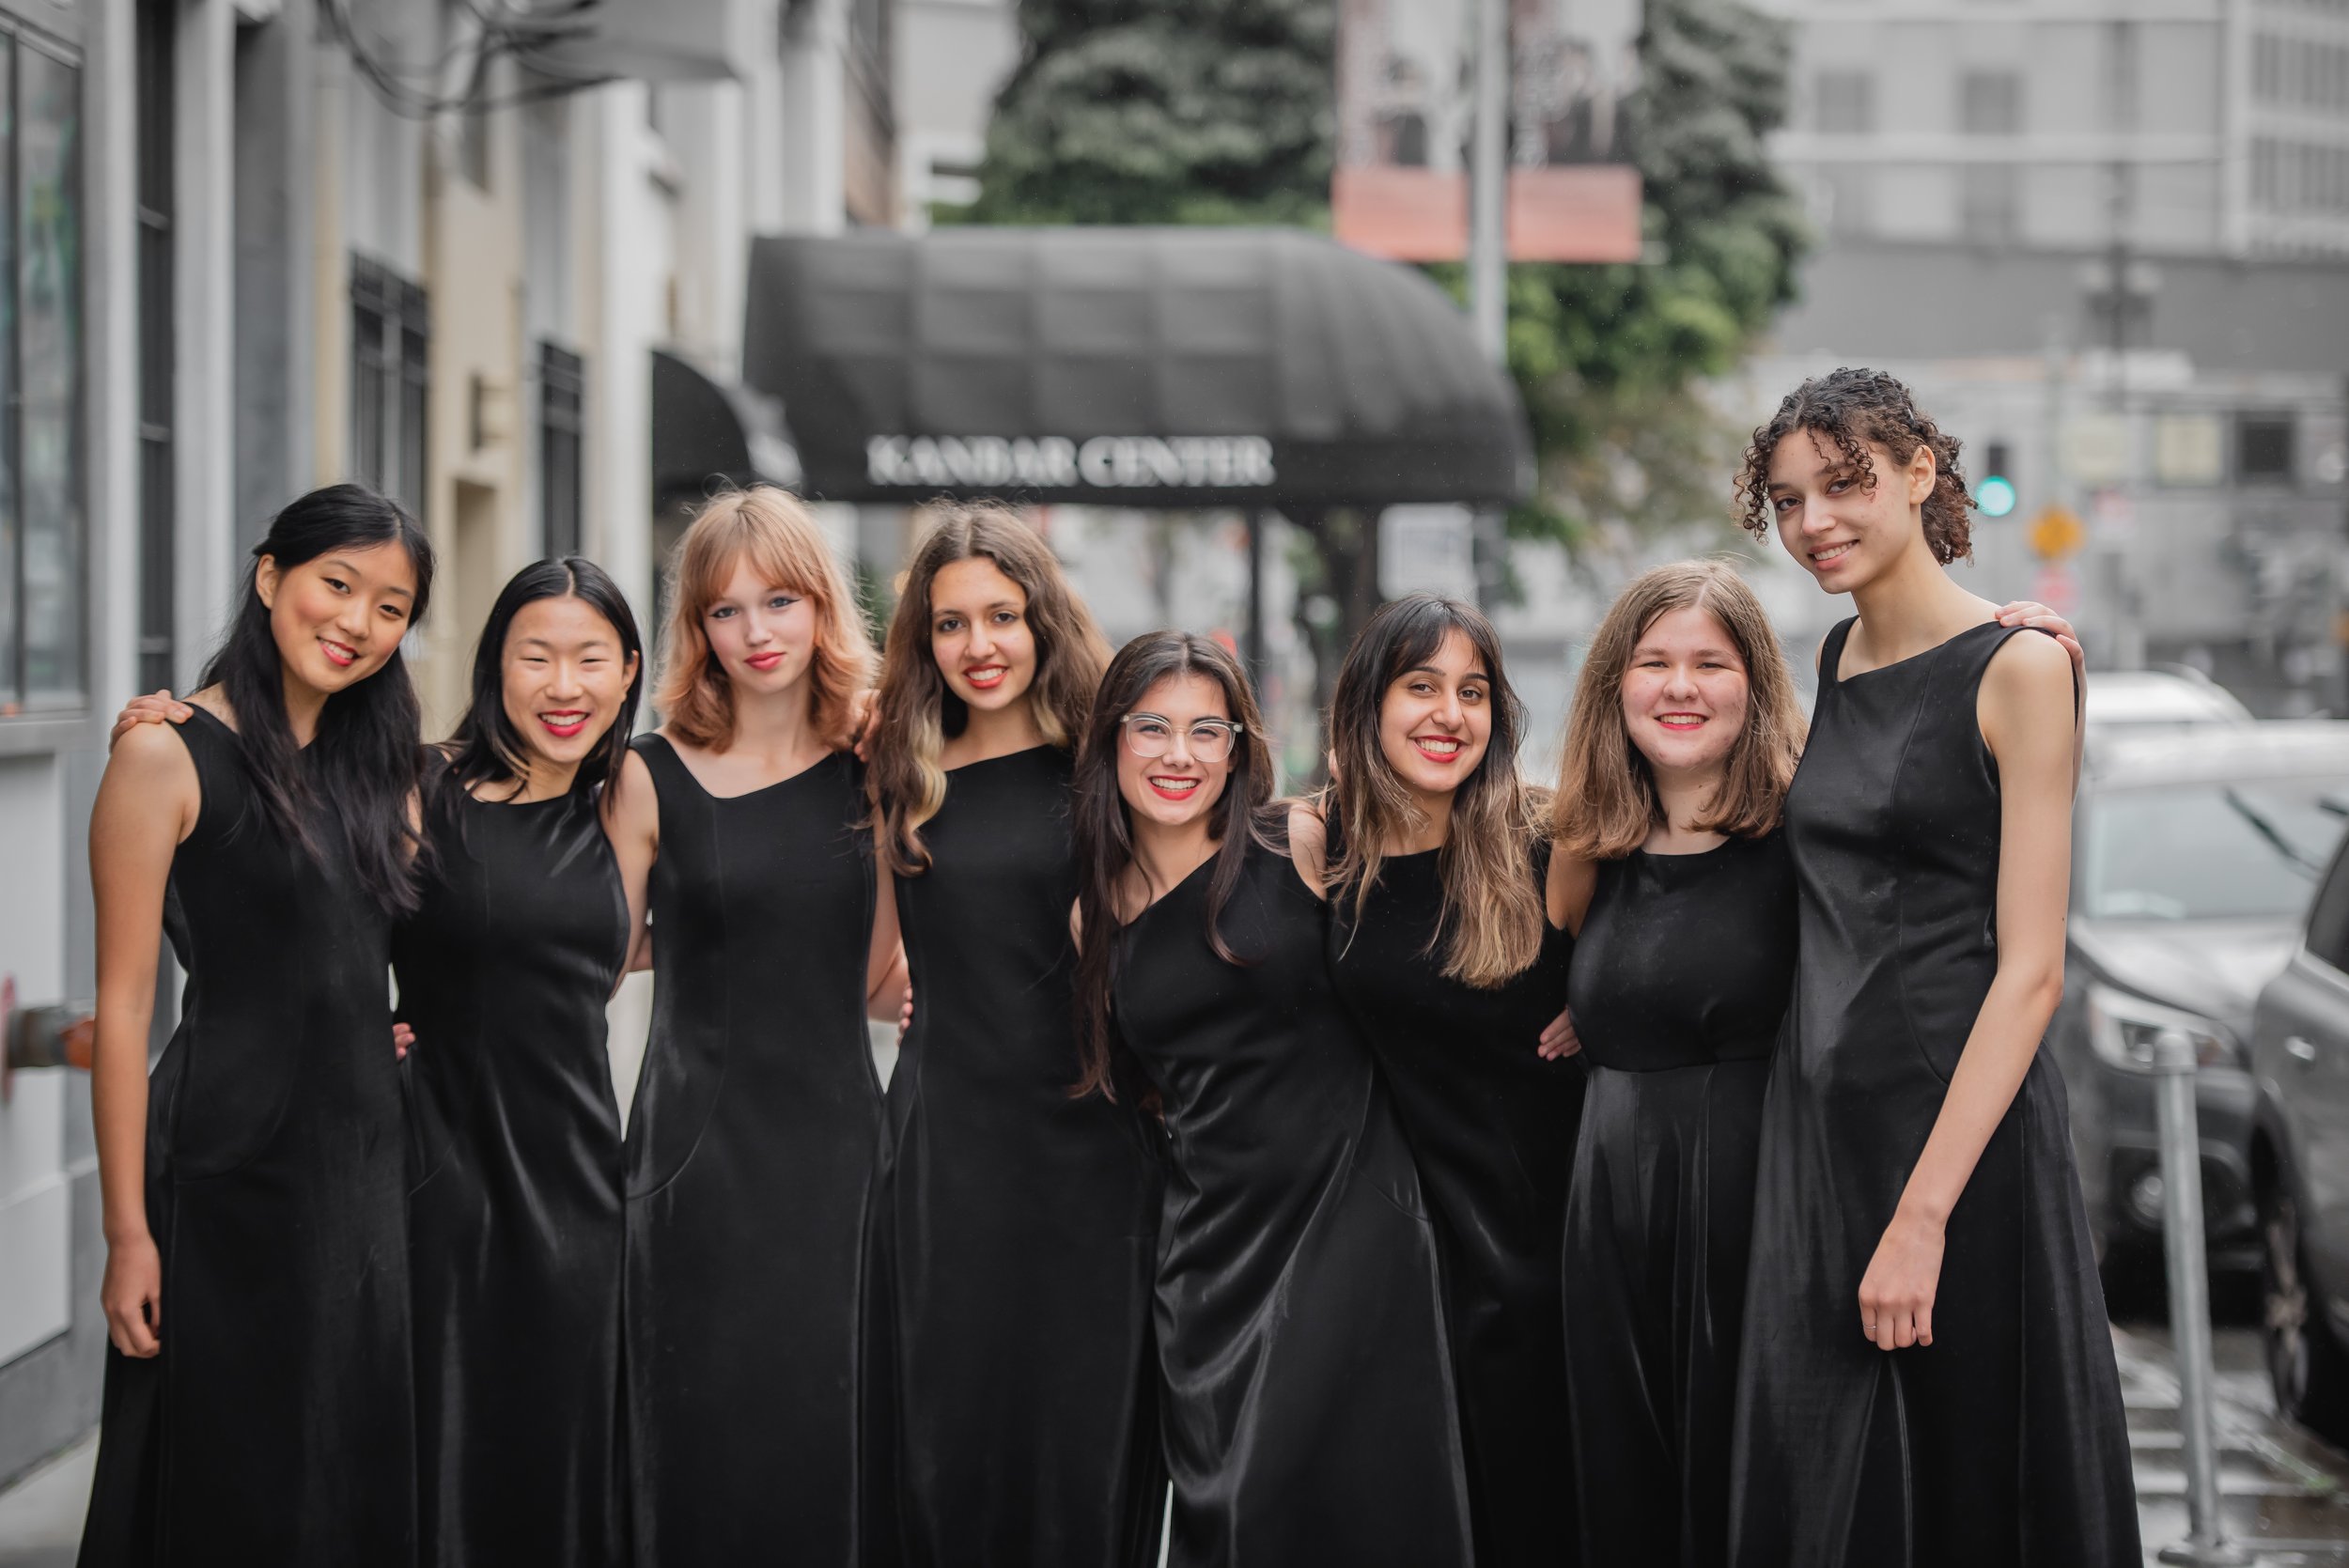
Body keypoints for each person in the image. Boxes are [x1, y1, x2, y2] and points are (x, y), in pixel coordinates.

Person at [1727, 367, 2139, 1566]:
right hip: (1831, 1140)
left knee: (1977, 1490)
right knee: (1858, 1505)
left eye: (1843, 484)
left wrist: (1923, 1214)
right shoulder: (1838, 655)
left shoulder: (2018, 666)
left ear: (1921, 471)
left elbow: (2032, 975)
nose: (1813, 523)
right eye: (1789, 498)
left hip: (1961, 1156)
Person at [78, 485, 433, 1567]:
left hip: (365, 1160)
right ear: (271, 576)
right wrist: (127, 1233)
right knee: (231, 1476)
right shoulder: (166, 754)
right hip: (228, 1165)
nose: (358, 622)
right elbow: (127, 1008)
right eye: (338, 584)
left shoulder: (385, 767)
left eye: (391, 606)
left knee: (347, 1461)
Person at [1070, 631, 1473, 1568]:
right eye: (1153, 728)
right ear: (1111, 740)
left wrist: (1574, 999)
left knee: (1352, 1503)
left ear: (1238, 745)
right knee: (1235, 1513)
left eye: (1207, 730)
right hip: (1210, 1258)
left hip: (1353, 1222)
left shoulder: (1299, 837)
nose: (1180, 755)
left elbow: (1450, 904)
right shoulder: (1093, 909)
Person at [602, 487, 906, 1566]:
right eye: (726, 611)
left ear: (821, 606)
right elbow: (578, 943)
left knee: (830, 1451)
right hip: (691, 1169)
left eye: (779, 600)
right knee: (695, 1458)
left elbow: (879, 975)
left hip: (837, 1168)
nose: (756, 632)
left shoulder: (877, 768)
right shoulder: (646, 774)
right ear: (697, 629)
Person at [863, 504, 1165, 1566]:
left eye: (1001, 615)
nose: (978, 646)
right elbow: (867, 972)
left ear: (1042, 618)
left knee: (1085, 1444)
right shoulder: (903, 770)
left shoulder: (1105, 766)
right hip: (947, 1156)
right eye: (950, 624)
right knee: (948, 1443)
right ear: (923, 638)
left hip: (1091, 1152)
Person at [1307, 593, 1585, 1568]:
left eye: (1471, 691)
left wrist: (1608, 997)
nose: (1447, 713)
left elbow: (1704, 902)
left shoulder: (1549, 842)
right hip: (1407, 1265)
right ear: (1367, 706)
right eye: (1418, 686)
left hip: (1552, 1254)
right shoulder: (1318, 854)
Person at [1546, 561, 1803, 1567]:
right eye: (1652, 661)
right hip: (1607, 1209)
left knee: (1745, 1483)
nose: (1679, 685)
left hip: (1758, 1200)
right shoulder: (1586, 837)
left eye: (1710, 662)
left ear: (1755, 682)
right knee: (1622, 1478)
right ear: (1615, 682)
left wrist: (2028, 648)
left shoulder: (1806, 822)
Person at [397, 559, 642, 1568]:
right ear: (494, 666)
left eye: (590, 659)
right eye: (534, 656)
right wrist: (179, 718)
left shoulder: (628, 794)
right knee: (445, 1446)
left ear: (629, 672)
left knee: (569, 1447)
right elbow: (295, 913)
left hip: (584, 1181)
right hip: (441, 1176)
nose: (562, 684)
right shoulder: (416, 787)